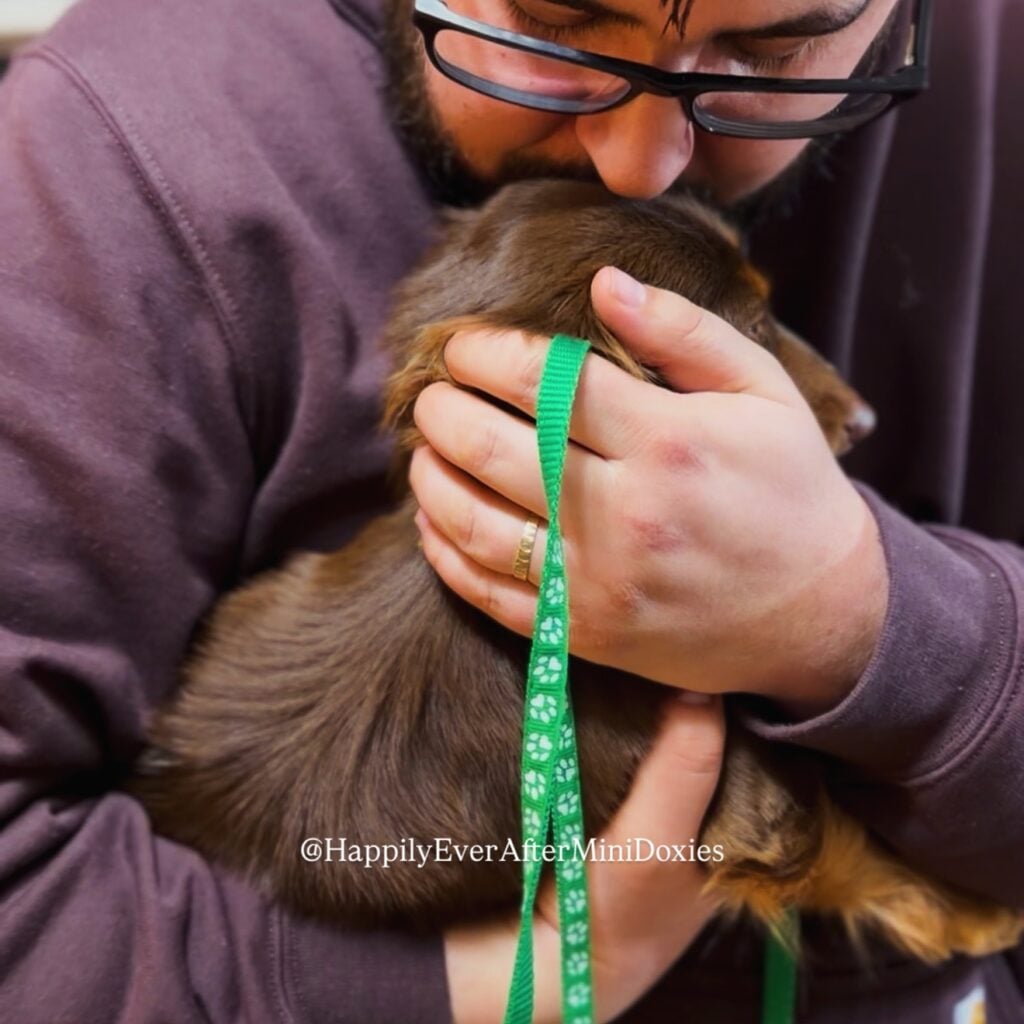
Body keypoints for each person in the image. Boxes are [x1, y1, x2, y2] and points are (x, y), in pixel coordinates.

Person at [0, 0, 1020, 1019]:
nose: (640, 165)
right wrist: (493, 986)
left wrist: (868, 623)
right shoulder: (107, 149)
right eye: (556, 20)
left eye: (772, 49)